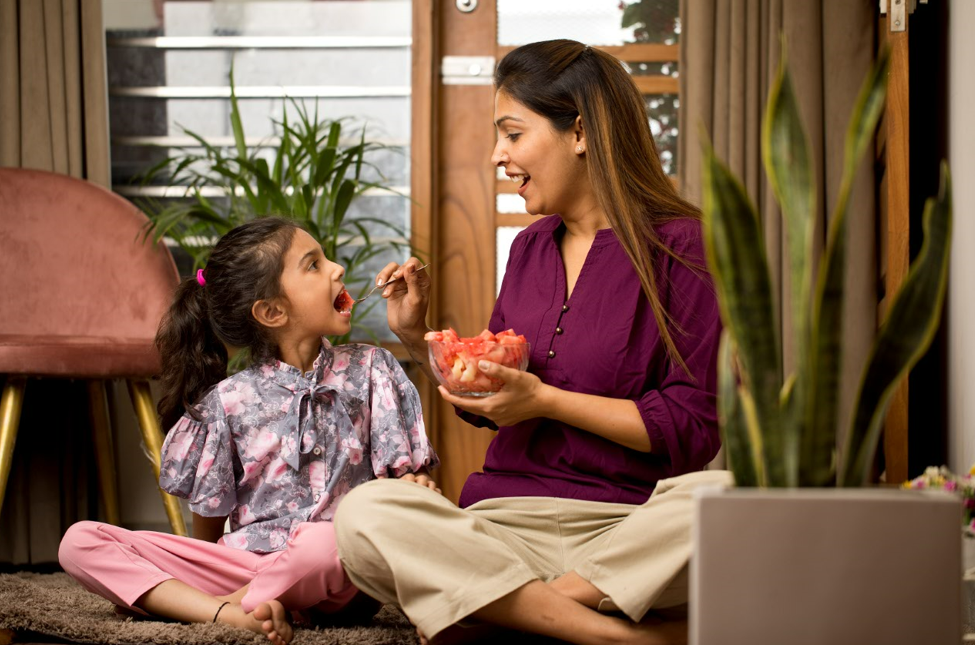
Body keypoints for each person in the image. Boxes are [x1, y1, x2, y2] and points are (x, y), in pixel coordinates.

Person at [334, 39, 732, 645]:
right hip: (504, 529)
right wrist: (418, 338)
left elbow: (693, 429)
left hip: (628, 528)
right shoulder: (528, 249)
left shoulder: (685, 246)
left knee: (728, 497)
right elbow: (498, 402)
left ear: (580, 132)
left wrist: (545, 401)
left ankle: (510, 612)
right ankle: (624, 635)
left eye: (513, 134)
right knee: (366, 513)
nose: (498, 155)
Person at [58, 217, 439, 645]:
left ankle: (218, 604)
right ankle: (227, 612)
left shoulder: (372, 369)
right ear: (272, 312)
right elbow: (209, 521)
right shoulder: (228, 400)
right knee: (79, 542)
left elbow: (400, 481)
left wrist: (415, 486)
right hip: (243, 562)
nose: (337, 269)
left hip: (340, 569)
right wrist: (206, 565)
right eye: (314, 264)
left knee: (332, 538)